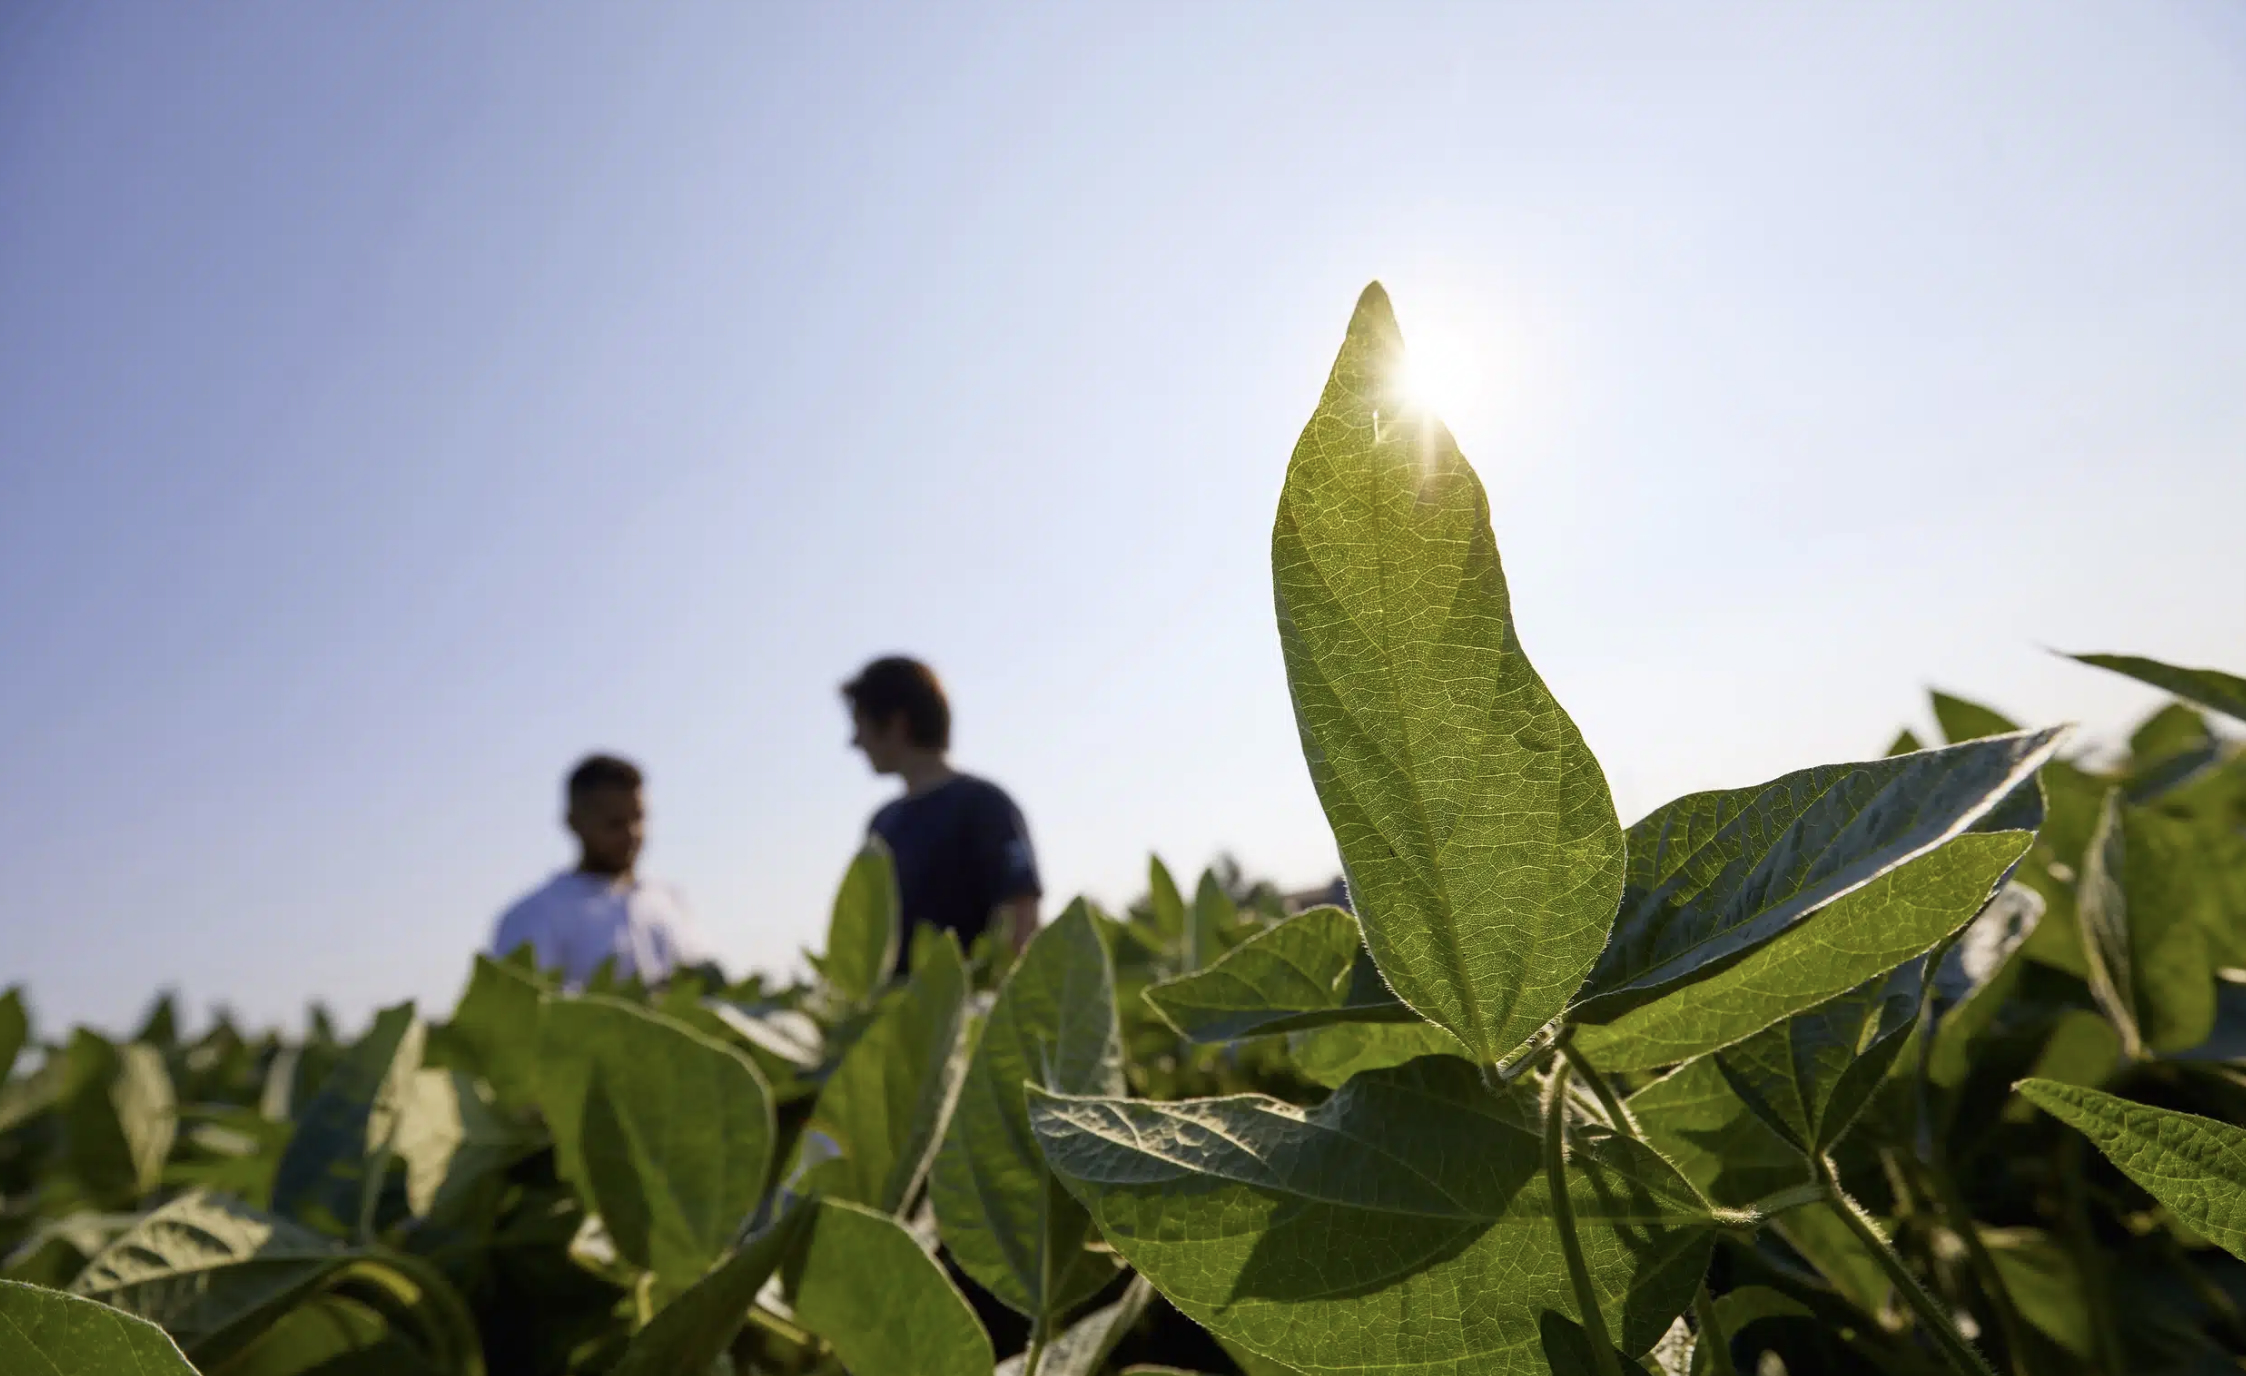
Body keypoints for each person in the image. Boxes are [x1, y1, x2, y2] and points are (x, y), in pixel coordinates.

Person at [844, 656, 1040, 966]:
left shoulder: (984, 804)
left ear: (896, 723)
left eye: (860, 725)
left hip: (972, 1009)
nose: (854, 741)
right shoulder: (881, 823)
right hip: (898, 1012)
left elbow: (1021, 919)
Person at [489, 753, 701, 988]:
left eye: (639, 818)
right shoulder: (533, 918)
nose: (631, 833)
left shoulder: (670, 902)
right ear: (573, 822)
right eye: (615, 823)